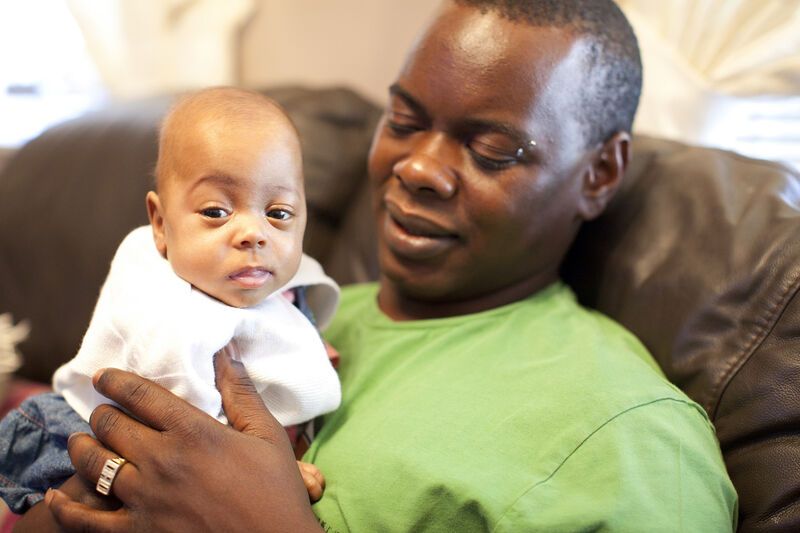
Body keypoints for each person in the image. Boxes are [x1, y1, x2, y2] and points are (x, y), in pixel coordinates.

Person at [20, 0, 740, 530]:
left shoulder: (631, 440)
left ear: (600, 173)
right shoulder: (288, 311)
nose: (418, 166)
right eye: (402, 121)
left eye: (491, 149)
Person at [0, 87, 340, 521]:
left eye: (279, 212)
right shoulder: (162, 299)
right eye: (217, 212)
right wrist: (281, 475)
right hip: (105, 435)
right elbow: (185, 417)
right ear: (160, 224)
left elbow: (290, 326)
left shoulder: (280, 279)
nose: (255, 233)